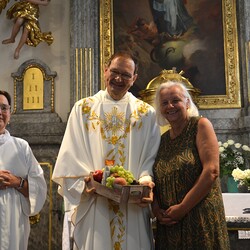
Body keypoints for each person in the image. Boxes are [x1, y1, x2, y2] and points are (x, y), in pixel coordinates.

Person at [52, 51, 161, 250]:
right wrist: (87, 180)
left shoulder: (146, 113)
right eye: (115, 71)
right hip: (96, 203)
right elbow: (71, 154)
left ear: (134, 78)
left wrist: (145, 181)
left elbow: (149, 158)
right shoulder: (83, 109)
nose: (119, 78)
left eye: (126, 75)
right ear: (105, 71)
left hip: (132, 206)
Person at [152, 81, 230, 249]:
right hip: (170, 224)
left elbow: (212, 171)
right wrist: (156, 208)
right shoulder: (163, 140)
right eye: (164, 102)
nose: (170, 106)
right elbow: (155, 177)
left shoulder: (200, 125)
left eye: (176, 100)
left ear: (187, 102)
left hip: (199, 218)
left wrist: (183, 207)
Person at [0, 90, 47, 250]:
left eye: (3, 108)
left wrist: (17, 182)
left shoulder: (21, 147)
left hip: (14, 223)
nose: (0, 112)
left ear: (9, 113)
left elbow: (39, 189)